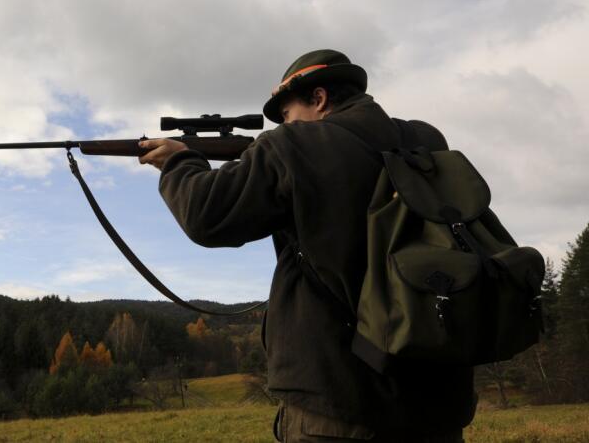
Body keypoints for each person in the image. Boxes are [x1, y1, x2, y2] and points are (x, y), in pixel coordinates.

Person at [138, 49, 474, 442]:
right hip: (439, 406)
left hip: (338, 407)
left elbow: (206, 215)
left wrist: (180, 163)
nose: (281, 126)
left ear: (319, 99)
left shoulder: (296, 144)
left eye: (286, 114)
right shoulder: (425, 140)